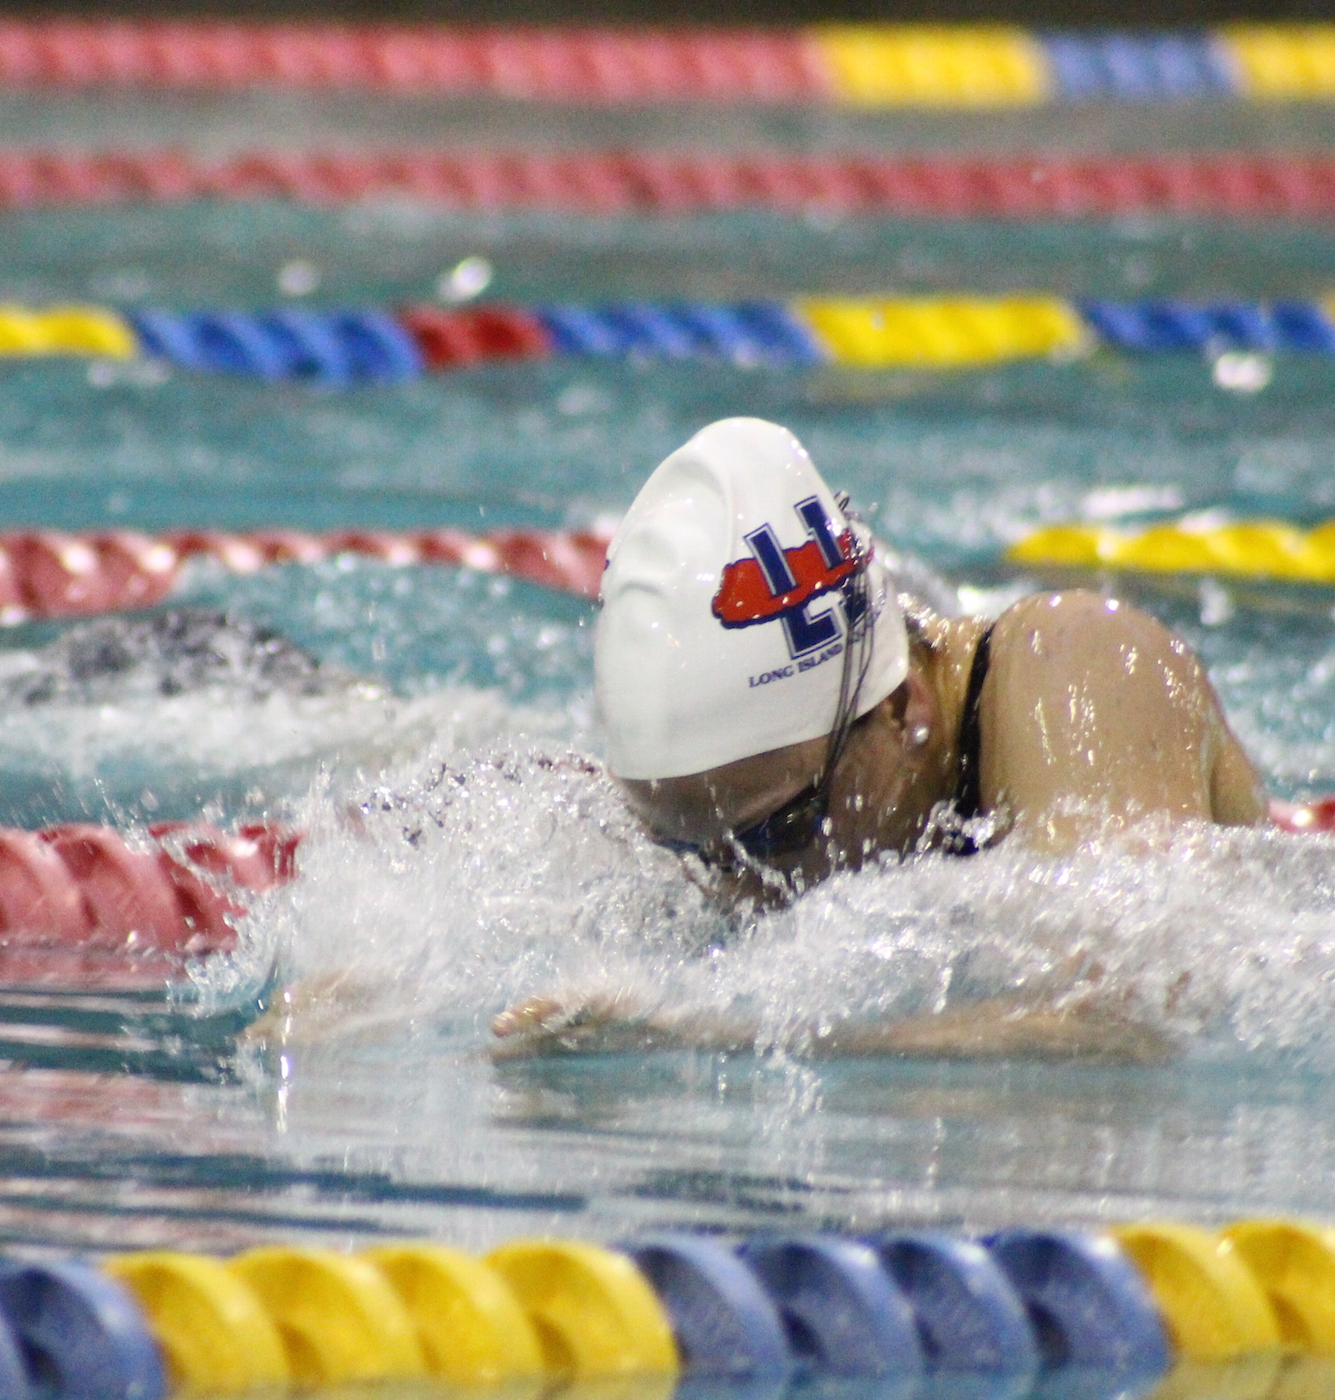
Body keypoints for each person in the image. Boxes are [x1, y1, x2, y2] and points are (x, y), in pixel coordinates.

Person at [489, 416, 1268, 1058]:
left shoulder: (1075, 667)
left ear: (903, 708)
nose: (733, 885)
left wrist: (717, 1041)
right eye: (685, 848)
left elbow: (1131, 1013)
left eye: (778, 831)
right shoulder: (745, 801)